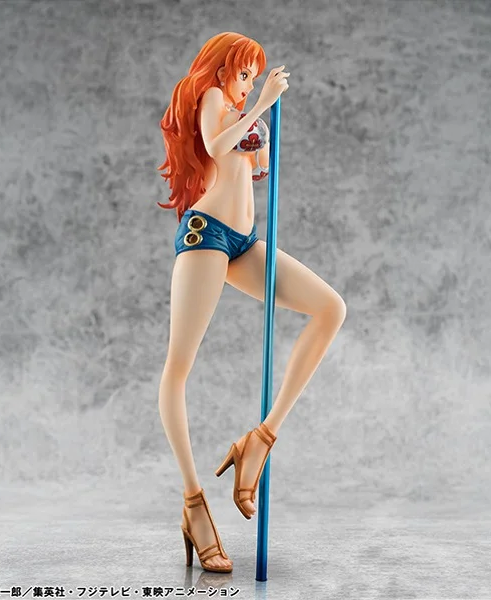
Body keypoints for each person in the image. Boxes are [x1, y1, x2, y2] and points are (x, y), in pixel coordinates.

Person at [157, 31, 347, 573]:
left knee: (330, 309)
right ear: (223, 69)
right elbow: (218, 147)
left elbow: (252, 166)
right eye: (243, 73)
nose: (246, 84)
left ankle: (260, 438)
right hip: (208, 236)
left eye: (251, 77)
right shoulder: (213, 97)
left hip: (243, 242)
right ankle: (194, 504)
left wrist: (262, 133)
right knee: (178, 369)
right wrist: (261, 104)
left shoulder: (238, 108)